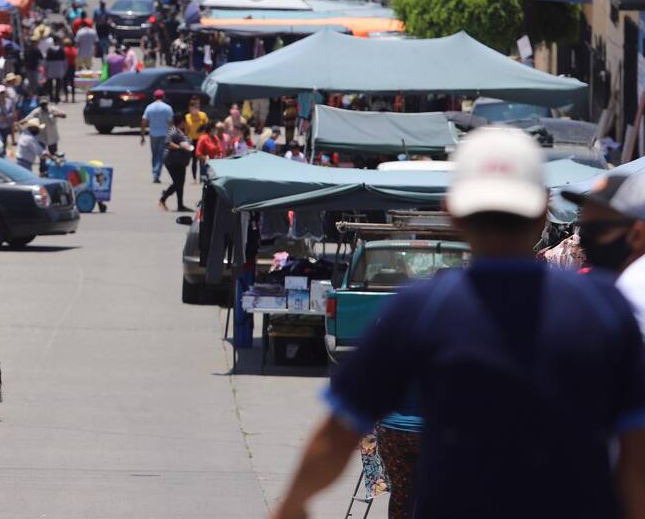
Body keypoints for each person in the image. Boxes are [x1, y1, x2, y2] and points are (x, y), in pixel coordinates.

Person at [270, 127, 645, 519]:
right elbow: (635, 453)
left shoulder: (420, 310)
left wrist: (291, 505)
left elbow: (338, 432)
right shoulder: (604, 307)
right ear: (541, 212)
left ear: (452, 212)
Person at [563, 172, 645, 337]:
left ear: (637, 234)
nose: (584, 240)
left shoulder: (632, 293)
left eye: (598, 229)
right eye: (583, 228)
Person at [158, 118, 193, 212]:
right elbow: (168, 143)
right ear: (182, 122)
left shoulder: (185, 132)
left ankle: (180, 205)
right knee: (177, 182)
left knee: (180, 183)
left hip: (182, 162)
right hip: (172, 161)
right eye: (186, 122)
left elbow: (189, 146)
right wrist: (180, 147)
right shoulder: (173, 131)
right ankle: (163, 199)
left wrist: (188, 159)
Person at [24, 95, 66, 171]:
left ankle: (54, 170)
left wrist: (56, 115)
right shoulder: (37, 111)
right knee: (43, 156)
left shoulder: (52, 109)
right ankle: (43, 171)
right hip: (42, 137)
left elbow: (64, 115)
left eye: (44, 105)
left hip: (52, 137)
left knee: (54, 155)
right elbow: (27, 118)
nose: (43, 107)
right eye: (42, 105)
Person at [181, 96, 209, 182]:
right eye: (192, 107)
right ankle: (194, 178)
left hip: (202, 140)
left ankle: (202, 177)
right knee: (194, 160)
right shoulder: (187, 117)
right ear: (190, 108)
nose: (195, 109)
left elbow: (207, 126)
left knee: (202, 159)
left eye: (197, 107)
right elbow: (185, 130)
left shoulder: (203, 115)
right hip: (192, 140)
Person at [44, 37, 67, 102]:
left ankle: (51, 97)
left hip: (51, 67)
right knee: (58, 83)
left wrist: (46, 68)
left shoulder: (49, 50)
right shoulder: (61, 50)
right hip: (59, 67)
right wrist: (65, 69)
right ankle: (57, 97)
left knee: (50, 83)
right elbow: (65, 61)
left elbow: (46, 61)